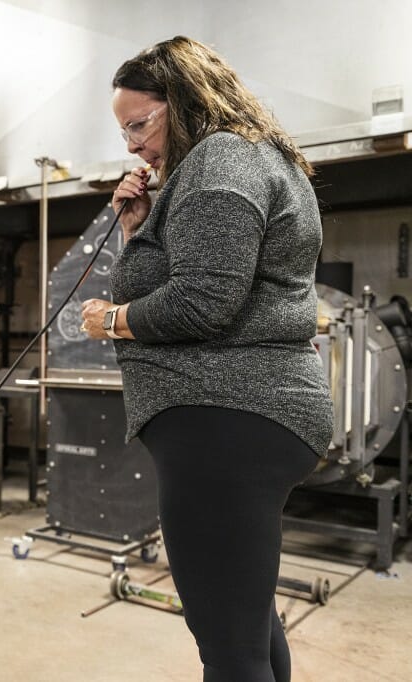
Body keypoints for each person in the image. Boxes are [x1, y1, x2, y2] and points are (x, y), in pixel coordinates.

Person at [80, 37, 332, 682]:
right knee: (247, 626)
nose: (132, 145)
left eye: (139, 124)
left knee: (227, 648)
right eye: (125, 132)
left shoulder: (220, 160)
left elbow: (201, 304)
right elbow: (199, 280)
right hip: (243, 415)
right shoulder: (243, 159)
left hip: (225, 414)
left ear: (185, 99)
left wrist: (112, 321)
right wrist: (138, 227)